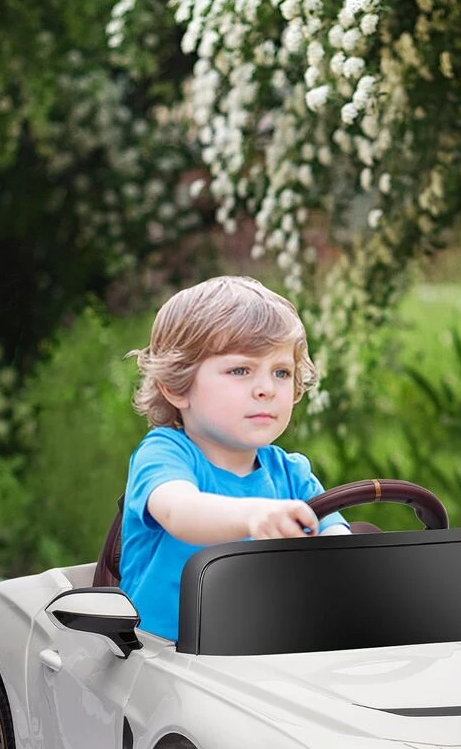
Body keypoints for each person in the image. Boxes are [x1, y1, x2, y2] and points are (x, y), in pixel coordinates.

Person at [120, 275, 350, 641]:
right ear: (176, 387)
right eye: (240, 370)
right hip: (161, 660)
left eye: (281, 372)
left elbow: (337, 541)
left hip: (261, 653)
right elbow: (180, 511)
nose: (266, 389)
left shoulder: (292, 474)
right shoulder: (165, 453)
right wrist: (255, 516)